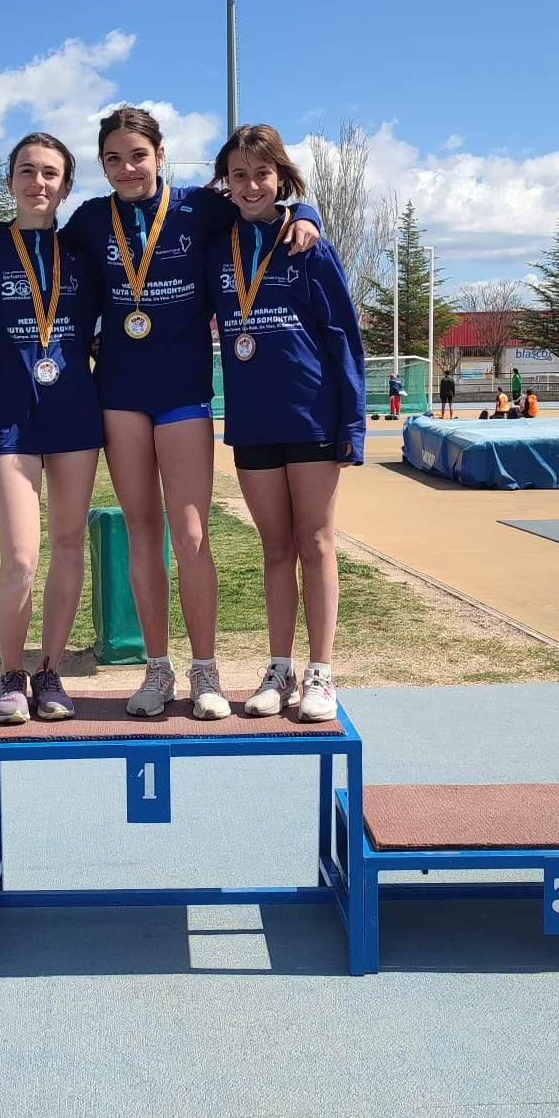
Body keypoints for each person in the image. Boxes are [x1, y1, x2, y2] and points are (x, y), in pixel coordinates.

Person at [0, 106, 320, 719]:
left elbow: (264, 201)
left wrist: (307, 213)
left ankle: (204, 672)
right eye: (113, 159)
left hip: (183, 395)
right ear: (99, 167)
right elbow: (34, 241)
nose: (127, 168)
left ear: (160, 155)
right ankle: (158, 669)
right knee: (141, 533)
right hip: (119, 397)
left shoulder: (197, 208)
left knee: (190, 532)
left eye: (138, 156)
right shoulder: (89, 222)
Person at [203, 125, 364, 723]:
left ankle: (321, 672)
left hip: (313, 412)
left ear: (282, 178)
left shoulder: (307, 244)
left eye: (262, 174)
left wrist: (353, 421)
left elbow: (344, 334)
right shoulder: (217, 245)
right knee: (275, 548)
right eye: (238, 175)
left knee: (316, 541)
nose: (250, 186)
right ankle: (279, 666)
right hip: (252, 420)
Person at [0, 133, 104, 725]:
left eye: (50, 174)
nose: (38, 183)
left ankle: (51, 671)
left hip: (74, 417)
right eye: (26, 171)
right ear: (11, 181)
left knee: (69, 547)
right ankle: (11, 675)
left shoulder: (85, 252)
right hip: (9, 426)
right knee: (19, 555)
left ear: (66, 186)